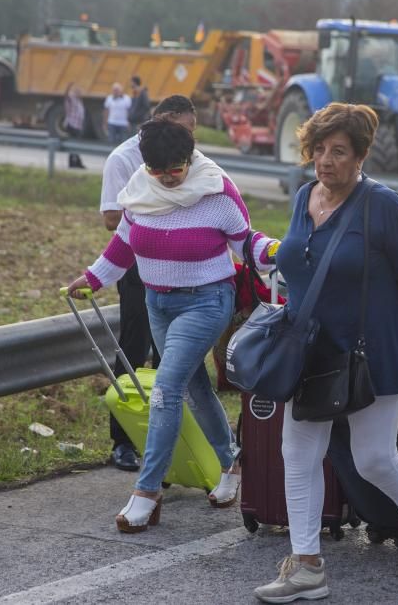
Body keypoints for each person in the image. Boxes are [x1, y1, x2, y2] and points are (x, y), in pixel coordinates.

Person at [255, 103, 398, 603]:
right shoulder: (304, 197)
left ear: (361, 156)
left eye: (338, 152)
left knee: (374, 460)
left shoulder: (384, 206)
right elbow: (298, 262)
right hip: (310, 353)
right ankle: (306, 567)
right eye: (318, 150)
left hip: (372, 353)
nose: (325, 161)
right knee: (298, 455)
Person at [65, 116, 279, 532]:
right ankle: (231, 461)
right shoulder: (141, 191)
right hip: (156, 303)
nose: (165, 178)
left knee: (164, 390)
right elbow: (123, 244)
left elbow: (245, 242)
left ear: (190, 158)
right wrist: (92, 278)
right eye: (155, 170)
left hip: (206, 302)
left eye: (174, 170)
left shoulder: (217, 189)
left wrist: (274, 248)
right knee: (194, 388)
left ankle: (147, 491)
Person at [99, 95, 200, 472]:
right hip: (140, 265)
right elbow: (111, 219)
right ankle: (122, 441)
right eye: (187, 130)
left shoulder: (191, 158)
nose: (191, 140)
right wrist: (161, 203)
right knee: (133, 348)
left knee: (172, 357)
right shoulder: (123, 159)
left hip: (183, 266)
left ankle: (170, 442)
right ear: (166, 121)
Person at [64, 84, 87, 169]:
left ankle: (75, 163)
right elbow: (66, 96)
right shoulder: (72, 98)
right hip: (72, 125)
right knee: (74, 144)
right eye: (78, 92)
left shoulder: (79, 101)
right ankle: (75, 163)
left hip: (77, 126)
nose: (80, 93)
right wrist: (69, 87)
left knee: (75, 145)